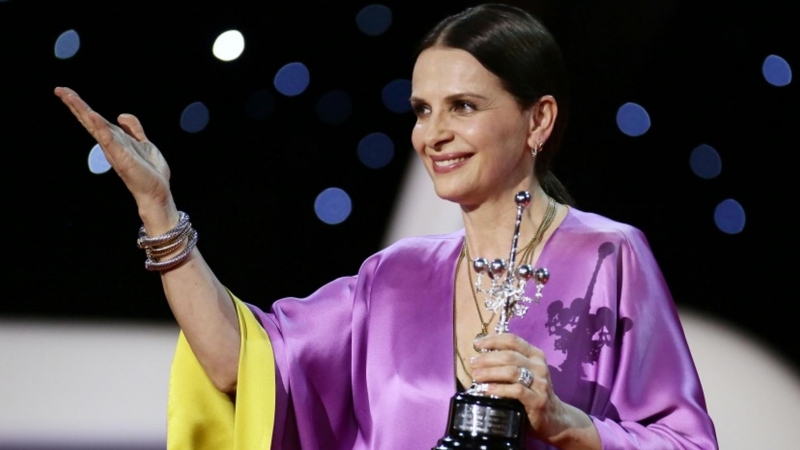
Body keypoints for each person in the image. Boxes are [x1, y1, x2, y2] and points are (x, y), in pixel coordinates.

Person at [55, 3, 718, 449]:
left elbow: (688, 443)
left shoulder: (610, 258)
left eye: (462, 106)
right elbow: (239, 364)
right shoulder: (394, 277)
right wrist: (158, 210)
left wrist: (569, 424)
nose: (433, 134)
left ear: (538, 120)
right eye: (422, 109)